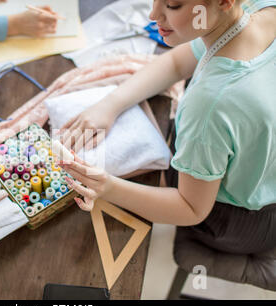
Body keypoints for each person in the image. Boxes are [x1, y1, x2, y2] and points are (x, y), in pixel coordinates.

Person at [57, 0, 276, 254]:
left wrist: (108, 188)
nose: (153, 14)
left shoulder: (209, 106)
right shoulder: (256, 8)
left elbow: (190, 208)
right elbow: (176, 64)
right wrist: (110, 104)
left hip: (240, 222)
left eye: (172, 5)